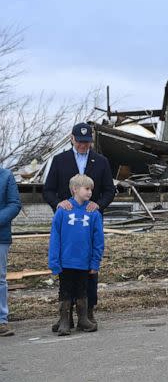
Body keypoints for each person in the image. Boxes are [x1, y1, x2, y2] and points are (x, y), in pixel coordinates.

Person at [43, 122, 114, 330]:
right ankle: (66, 316)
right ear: (72, 139)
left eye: (87, 142)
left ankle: (88, 312)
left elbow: (110, 190)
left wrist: (97, 205)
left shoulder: (101, 161)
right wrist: (59, 203)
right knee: (67, 272)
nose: (84, 146)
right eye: (81, 142)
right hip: (68, 224)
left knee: (88, 271)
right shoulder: (59, 160)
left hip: (90, 222)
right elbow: (47, 190)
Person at [48, 174, 104, 336]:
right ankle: (64, 321)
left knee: (82, 291)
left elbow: (98, 241)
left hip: (84, 262)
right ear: (74, 189)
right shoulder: (62, 211)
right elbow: (55, 239)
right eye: (87, 189)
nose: (90, 192)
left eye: (91, 189)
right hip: (65, 262)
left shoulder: (93, 213)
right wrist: (54, 262)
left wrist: (95, 263)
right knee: (65, 291)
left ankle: (83, 319)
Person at [0, 167, 22, 337]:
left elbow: (14, 204)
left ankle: (1, 320)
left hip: (1, 236)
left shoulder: (6, 175)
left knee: (0, 279)